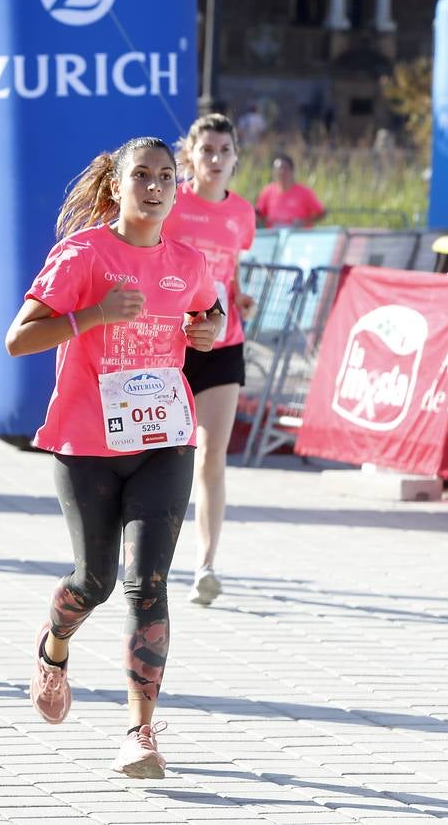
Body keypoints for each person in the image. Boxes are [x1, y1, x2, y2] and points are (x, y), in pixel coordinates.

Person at [4, 136, 223, 780]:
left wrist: (205, 330)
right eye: (141, 175)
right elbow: (19, 338)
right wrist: (93, 314)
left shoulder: (188, 261)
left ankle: (141, 730)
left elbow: (209, 316)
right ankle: (54, 647)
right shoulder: (83, 255)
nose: (154, 186)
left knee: (146, 582)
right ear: (117, 186)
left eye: (165, 176)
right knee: (94, 580)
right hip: (88, 444)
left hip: (164, 441)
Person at [164, 114, 257, 606]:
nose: (216, 160)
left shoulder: (243, 213)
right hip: (171, 346)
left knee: (212, 456)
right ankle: (152, 556)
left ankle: (206, 564)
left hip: (223, 343)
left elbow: (230, 271)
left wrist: (239, 298)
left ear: (236, 156)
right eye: (207, 151)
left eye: (224, 150)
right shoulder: (172, 200)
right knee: (166, 456)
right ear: (191, 157)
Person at [254, 154, 325, 228]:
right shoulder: (268, 191)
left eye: (285, 168)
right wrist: (265, 221)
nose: (281, 172)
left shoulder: (305, 192)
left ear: (292, 171)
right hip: (275, 235)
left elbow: (321, 213)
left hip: (298, 235)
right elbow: (259, 214)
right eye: (277, 169)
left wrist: (304, 222)